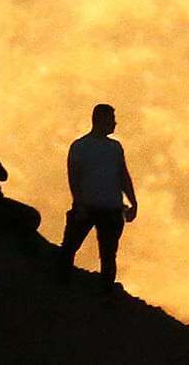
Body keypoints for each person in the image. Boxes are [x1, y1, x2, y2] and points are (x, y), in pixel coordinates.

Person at [57, 103, 138, 288]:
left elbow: (123, 176)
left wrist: (133, 202)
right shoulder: (80, 146)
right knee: (69, 248)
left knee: (108, 255)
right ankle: (61, 285)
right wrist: (79, 204)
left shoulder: (115, 147)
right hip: (87, 207)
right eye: (111, 119)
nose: (115, 123)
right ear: (100, 119)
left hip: (111, 209)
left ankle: (105, 292)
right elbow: (74, 178)